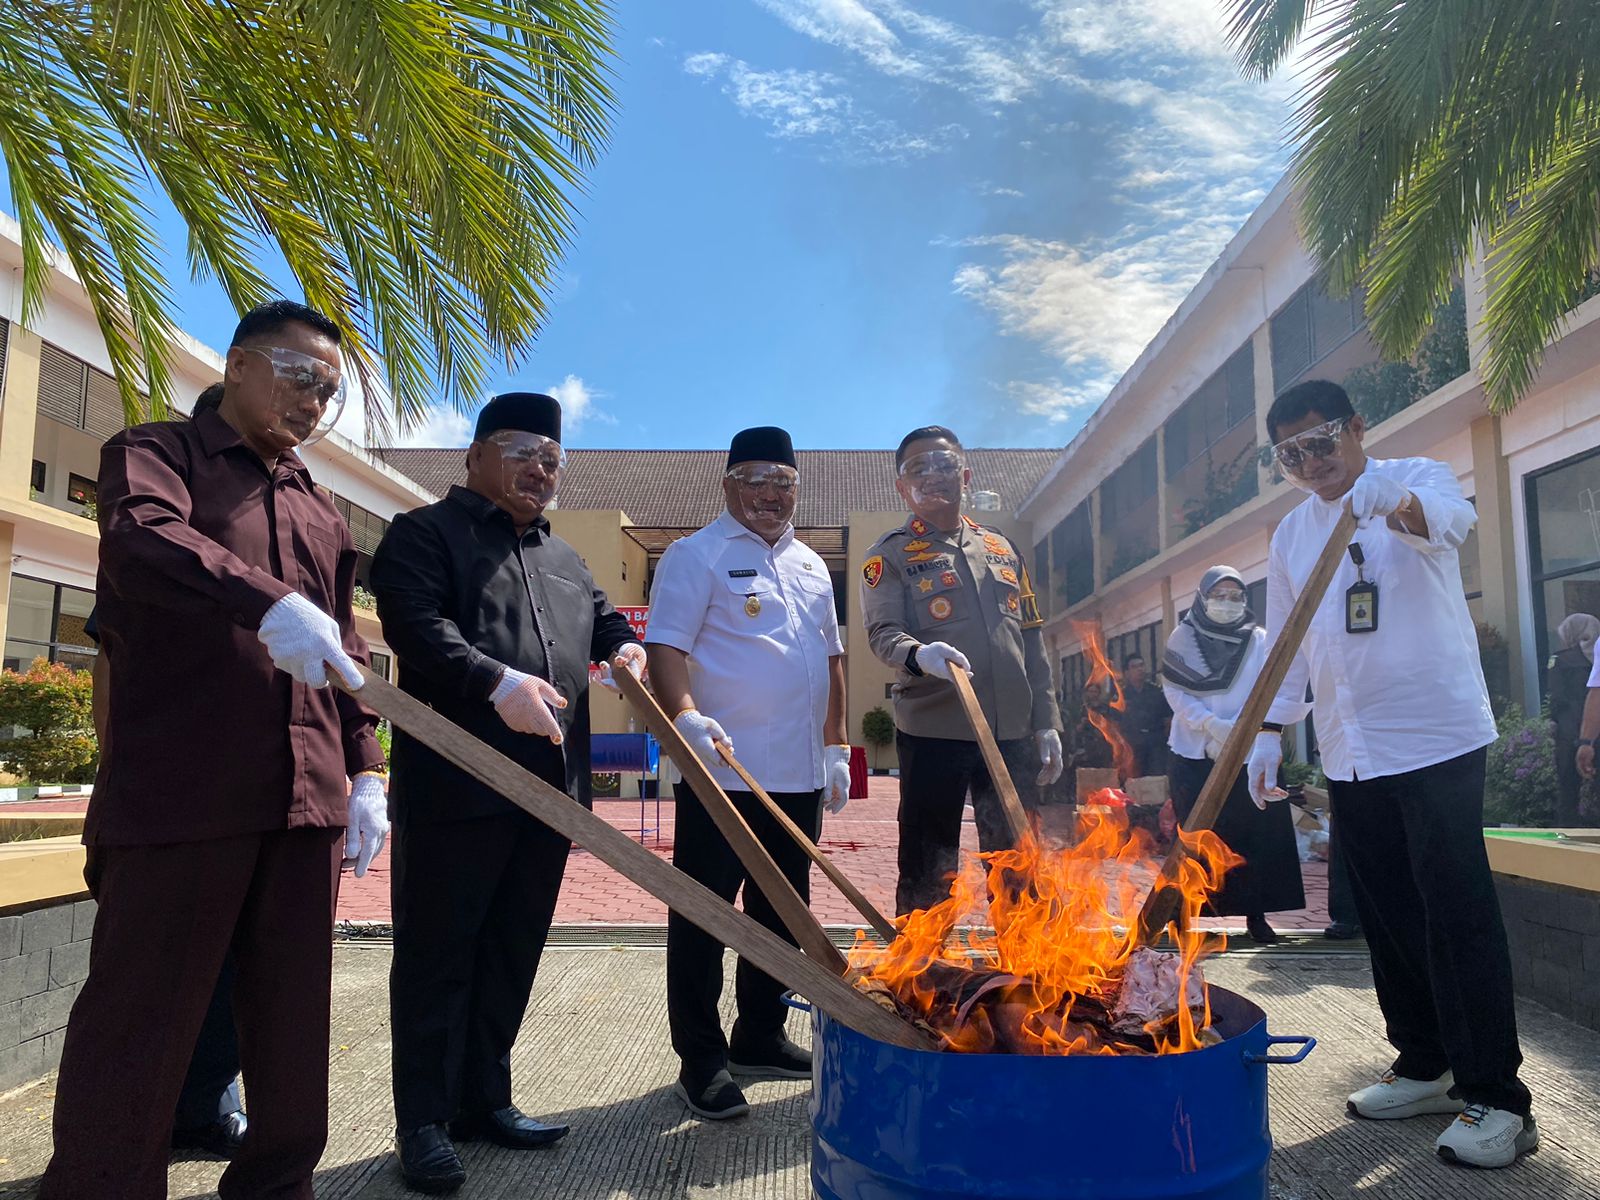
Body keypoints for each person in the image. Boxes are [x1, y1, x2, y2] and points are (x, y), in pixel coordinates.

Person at [42, 301, 388, 1200]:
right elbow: (141, 540)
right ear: (236, 365)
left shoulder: (320, 508)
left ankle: (276, 1187)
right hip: (182, 794)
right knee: (140, 1022)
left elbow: (342, 650)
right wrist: (260, 600)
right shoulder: (155, 456)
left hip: (305, 800)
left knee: (289, 1027)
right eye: (301, 377)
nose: (316, 403)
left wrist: (367, 769)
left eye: (332, 393)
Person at [1246, 378, 1534, 1169]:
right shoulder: (1292, 533)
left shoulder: (1418, 476)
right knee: (1387, 913)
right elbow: (1292, 644)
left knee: (1456, 911)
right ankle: (1426, 1064)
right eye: (1291, 453)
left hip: (1434, 734)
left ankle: (1498, 1099)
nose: (1311, 462)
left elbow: (1449, 523)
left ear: (1357, 427)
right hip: (1351, 747)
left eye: (1321, 440)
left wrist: (1391, 500)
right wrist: (1272, 727)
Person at [370, 392, 642, 1193]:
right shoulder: (424, 535)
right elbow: (413, 625)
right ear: (477, 454)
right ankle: (421, 1120)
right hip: (458, 784)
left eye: (553, 458)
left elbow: (605, 623)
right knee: (436, 955)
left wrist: (625, 652)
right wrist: (492, 681)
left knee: (511, 949)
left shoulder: (564, 559)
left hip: (550, 793)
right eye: (523, 451)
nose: (539, 469)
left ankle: (484, 1100)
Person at [644, 426, 851, 1121]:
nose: (771, 494)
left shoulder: (813, 565)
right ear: (728, 483)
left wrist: (837, 746)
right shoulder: (694, 556)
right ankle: (700, 1059)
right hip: (718, 771)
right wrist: (686, 717)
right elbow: (665, 648)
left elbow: (831, 660)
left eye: (784, 482)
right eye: (757, 479)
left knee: (782, 910)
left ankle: (759, 1034)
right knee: (703, 914)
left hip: (797, 775)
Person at [83, 392, 249, 1162]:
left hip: (257, 792)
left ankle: (210, 1103)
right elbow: (110, 662)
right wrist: (115, 765)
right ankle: (124, 1137)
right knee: (150, 974)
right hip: (165, 790)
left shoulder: (287, 519)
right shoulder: (153, 521)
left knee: (236, 965)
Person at [860, 426, 1062, 915]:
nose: (933, 476)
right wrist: (920, 655)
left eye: (944, 465)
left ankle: (1024, 974)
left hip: (1010, 729)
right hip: (936, 729)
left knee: (1017, 862)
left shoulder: (1003, 549)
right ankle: (923, 975)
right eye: (918, 469)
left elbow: (1031, 639)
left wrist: (1048, 721)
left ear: (965, 475)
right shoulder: (889, 555)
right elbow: (882, 633)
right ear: (901, 487)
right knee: (931, 864)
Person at [1161, 566, 1304, 944]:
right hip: (1194, 749)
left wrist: (1245, 731)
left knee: (1254, 834)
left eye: (1235, 596)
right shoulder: (1184, 638)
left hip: (1251, 749)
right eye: (1219, 595)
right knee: (1194, 836)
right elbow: (1175, 690)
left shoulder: (1260, 640)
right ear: (1203, 597)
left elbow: (1273, 687)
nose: (1227, 603)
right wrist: (1209, 724)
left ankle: (1256, 916)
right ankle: (1184, 917)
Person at [1548, 614, 1598, 826]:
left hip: (1571, 732)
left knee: (1568, 791)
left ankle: (1567, 840)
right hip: (1596, 731)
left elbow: (1556, 698)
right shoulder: (1594, 655)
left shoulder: (1559, 659)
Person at [1120, 653, 1172, 777]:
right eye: (1134, 667)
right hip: (1132, 745)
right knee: (1134, 782)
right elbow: (1115, 725)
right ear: (1127, 673)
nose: (1140, 669)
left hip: (1156, 744)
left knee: (1157, 780)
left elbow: (1168, 720)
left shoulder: (1156, 692)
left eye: (1142, 665)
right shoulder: (1121, 696)